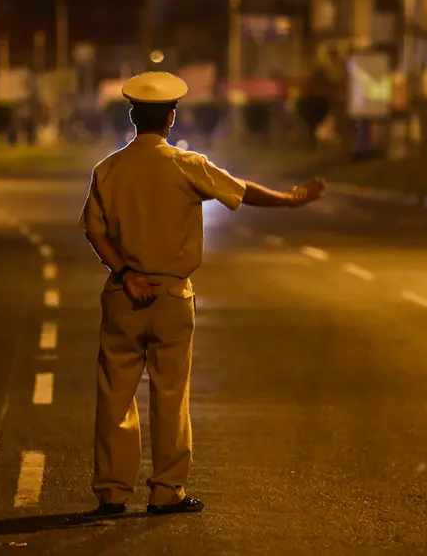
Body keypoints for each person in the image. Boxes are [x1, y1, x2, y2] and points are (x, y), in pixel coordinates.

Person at [79, 71, 327, 517]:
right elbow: (241, 191)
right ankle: (166, 491)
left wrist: (126, 273)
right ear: (171, 118)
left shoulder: (107, 169)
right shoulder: (186, 166)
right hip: (173, 297)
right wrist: (290, 200)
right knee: (171, 394)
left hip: (123, 293)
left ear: (132, 115)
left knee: (115, 394)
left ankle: (113, 493)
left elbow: (95, 231)